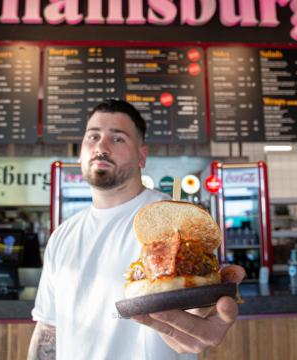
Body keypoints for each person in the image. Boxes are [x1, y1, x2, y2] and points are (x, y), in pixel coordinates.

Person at [28, 99, 246, 360]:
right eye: (93, 136)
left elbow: (201, 305)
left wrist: (206, 311)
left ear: (142, 156)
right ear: (80, 152)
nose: (101, 146)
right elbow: (49, 328)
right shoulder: (62, 236)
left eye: (117, 139)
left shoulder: (175, 225)